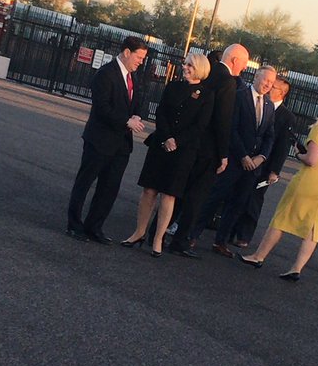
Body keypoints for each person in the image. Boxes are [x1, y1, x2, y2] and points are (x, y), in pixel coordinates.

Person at [240, 95, 318, 280]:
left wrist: (298, 155)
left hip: (309, 180)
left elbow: (311, 160)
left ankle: (258, 256)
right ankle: (296, 268)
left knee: (282, 217)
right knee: (314, 227)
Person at [120, 53, 213, 255]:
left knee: (169, 195)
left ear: (200, 68)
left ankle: (158, 239)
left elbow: (200, 126)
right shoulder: (173, 87)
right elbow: (161, 113)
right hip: (161, 145)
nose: (185, 67)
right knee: (149, 190)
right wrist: (167, 137)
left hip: (183, 151)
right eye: (185, 64)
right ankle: (139, 232)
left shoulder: (207, 95)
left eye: (190, 65)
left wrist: (177, 141)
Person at [169, 43, 250, 258]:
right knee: (197, 197)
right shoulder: (228, 82)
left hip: (191, 143)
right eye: (244, 63)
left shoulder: (208, 72)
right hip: (208, 149)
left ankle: (158, 231)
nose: (244, 68)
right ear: (234, 60)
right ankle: (180, 240)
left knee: (178, 190)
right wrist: (223, 154)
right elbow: (223, 121)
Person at [66, 37, 148, 243]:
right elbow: (102, 108)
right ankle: (74, 225)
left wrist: (137, 115)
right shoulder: (105, 74)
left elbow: (137, 102)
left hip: (121, 145)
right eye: (139, 57)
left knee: (109, 188)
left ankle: (94, 227)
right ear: (127, 52)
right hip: (99, 140)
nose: (141, 61)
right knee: (84, 183)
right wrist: (126, 121)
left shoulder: (133, 77)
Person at [191, 66, 277, 257]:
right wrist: (243, 156)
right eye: (265, 81)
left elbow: (269, 136)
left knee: (238, 204)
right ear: (256, 77)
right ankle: (192, 235)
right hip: (235, 160)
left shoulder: (269, 106)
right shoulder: (239, 96)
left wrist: (261, 157)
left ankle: (220, 241)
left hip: (253, 166)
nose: (267, 85)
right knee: (215, 198)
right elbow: (231, 128)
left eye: (271, 83)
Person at [231, 75, 297, 247]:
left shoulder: (286, 116)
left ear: (282, 92)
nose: (268, 87)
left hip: (265, 165)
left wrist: (275, 170)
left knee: (254, 198)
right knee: (236, 194)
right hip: (246, 157)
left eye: (273, 86)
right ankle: (228, 229)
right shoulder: (258, 103)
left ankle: (244, 235)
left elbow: (282, 145)